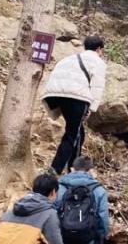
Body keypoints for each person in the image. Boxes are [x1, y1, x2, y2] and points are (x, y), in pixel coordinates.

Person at [41, 35, 107, 174]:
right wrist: (91, 108)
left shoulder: (69, 58)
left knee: (79, 133)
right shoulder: (98, 62)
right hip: (76, 98)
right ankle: (61, 169)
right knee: (73, 135)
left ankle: (71, 167)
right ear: (99, 49)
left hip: (56, 95)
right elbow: (97, 87)